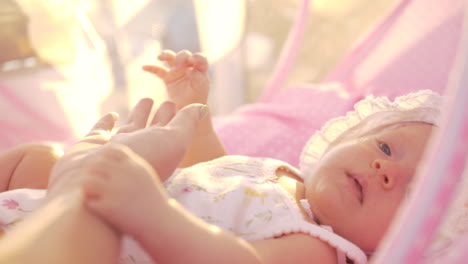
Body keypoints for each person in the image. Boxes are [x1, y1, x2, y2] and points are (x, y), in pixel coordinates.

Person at [0, 50, 442, 264]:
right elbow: (208, 172)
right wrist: (197, 112)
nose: (386, 169)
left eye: (412, 189)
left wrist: (150, 212)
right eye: (384, 147)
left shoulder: (320, 249)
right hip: (83, 209)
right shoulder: (284, 179)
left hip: (116, 245)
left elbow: (234, 259)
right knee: (36, 158)